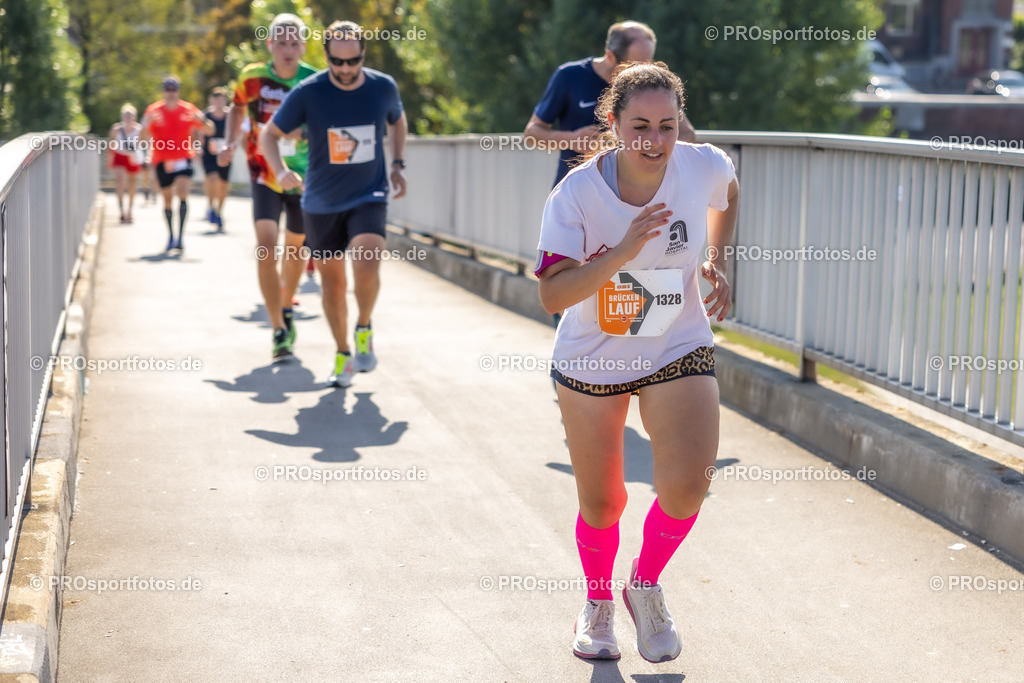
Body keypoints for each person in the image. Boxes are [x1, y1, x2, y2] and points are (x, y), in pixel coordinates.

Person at [534, 62, 738, 663]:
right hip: (594, 356)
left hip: (676, 341)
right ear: (614, 123)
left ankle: (643, 585)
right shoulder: (576, 194)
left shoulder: (702, 165)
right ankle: (597, 603)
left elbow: (729, 194)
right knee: (604, 503)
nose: (654, 141)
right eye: (640, 126)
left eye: (667, 127)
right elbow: (552, 295)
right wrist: (625, 250)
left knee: (687, 486)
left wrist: (715, 258)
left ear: (681, 126)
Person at [261, 20, 407, 388]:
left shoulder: (382, 86)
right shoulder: (309, 92)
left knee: (368, 265)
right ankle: (343, 353)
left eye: (353, 61)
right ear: (325, 55)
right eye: (337, 62)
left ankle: (363, 327)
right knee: (333, 285)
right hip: (322, 201)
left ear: (362, 55)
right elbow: (270, 134)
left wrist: (399, 163)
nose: (345, 70)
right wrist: (279, 172)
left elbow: (398, 120)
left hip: (368, 194)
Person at [219, 13, 317, 361]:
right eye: (282, 43)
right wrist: (230, 142)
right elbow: (236, 108)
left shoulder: (313, 81)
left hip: (303, 177)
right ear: (270, 44)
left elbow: (326, 125)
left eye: (295, 43)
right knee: (265, 245)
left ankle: (287, 304)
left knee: (295, 251)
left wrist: (301, 133)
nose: (288, 50)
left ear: (303, 46)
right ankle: (278, 328)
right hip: (263, 173)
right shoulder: (252, 77)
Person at [524, 21, 697, 187]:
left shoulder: (651, 86)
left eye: (648, 63)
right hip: (577, 192)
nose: (642, 74)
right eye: (633, 65)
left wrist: (640, 147)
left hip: (635, 196)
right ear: (610, 56)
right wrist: (571, 139)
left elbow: (688, 135)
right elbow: (532, 135)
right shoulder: (569, 76)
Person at [140, 75, 207, 253]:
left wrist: (203, 121)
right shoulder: (153, 111)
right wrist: (146, 126)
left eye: (174, 89)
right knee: (168, 200)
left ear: (178, 91)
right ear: (163, 91)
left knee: (183, 193)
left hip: (184, 157)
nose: (171, 93)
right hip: (162, 159)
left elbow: (209, 129)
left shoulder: (188, 109)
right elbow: (142, 138)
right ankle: (171, 235)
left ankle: (181, 237)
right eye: (167, 89)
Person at [201, 87, 232, 231]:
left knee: (223, 184)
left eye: (222, 99)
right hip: (209, 153)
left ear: (225, 101)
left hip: (225, 154)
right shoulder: (205, 116)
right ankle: (211, 206)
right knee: (211, 178)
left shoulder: (230, 116)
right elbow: (197, 132)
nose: (219, 102)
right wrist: (197, 148)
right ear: (211, 100)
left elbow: (236, 132)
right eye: (216, 99)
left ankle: (219, 212)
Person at [108, 104, 143, 224]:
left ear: (135, 116)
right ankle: (121, 211)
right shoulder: (116, 129)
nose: (128, 117)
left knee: (132, 185)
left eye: (130, 115)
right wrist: (110, 159)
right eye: (126, 115)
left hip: (133, 158)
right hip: (119, 157)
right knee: (120, 183)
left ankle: (130, 210)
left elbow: (144, 145)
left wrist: (145, 157)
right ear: (122, 116)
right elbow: (111, 144)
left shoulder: (139, 130)